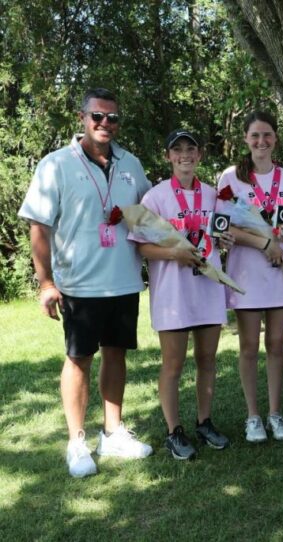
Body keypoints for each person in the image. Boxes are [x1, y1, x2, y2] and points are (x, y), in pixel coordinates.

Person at [18, 88, 153, 477]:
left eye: (112, 118)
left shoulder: (131, 164)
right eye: (97, 116)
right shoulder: (56, 164)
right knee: (78, 360)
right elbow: (39, 227)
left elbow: (147, 218)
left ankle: (112, 433)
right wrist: (46, 282)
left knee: (116, 354)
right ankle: (76, 442)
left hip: (124, 280)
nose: (105, 124)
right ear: (82, 117)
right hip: (78, 284)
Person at [130, 129, 233, 460]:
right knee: (173, 364)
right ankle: (174, 430)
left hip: (208, 287)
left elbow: (222, 233)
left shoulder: (215, 194)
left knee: (207, 360)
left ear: (199, 155)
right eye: (178, 150)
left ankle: (204, 421)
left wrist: (225, 241)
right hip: (173, 292)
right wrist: (175, 254)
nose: (184, 155)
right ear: (168, 157)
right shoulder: (156, 197)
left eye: (191, 148)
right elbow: (142, 246)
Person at [216, 111, 283, 443]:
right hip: (246, 271)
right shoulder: (230, 178)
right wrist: (264, 241)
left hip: (281, 271)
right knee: (249, 346)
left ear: (275, 139)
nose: (261, 142)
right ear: (246, 139)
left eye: (267, 135)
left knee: (277, 345)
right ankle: (253, 416)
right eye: (255, 136)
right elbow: (226, 227)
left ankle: (275, 413)